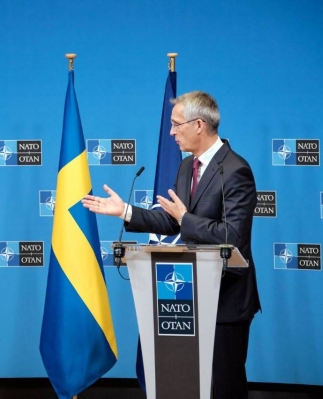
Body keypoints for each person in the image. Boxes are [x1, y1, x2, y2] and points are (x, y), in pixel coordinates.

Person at [82, 91, 261, 399]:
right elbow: (172, 223)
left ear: (199, 125)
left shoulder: (235, 171)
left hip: (226, 301)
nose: (171, 132)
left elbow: (233, 237)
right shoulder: (185, 167)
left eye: (177, 124)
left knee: (224, 386)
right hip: (191, 296)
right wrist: (126, 211)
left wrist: (186, 218)